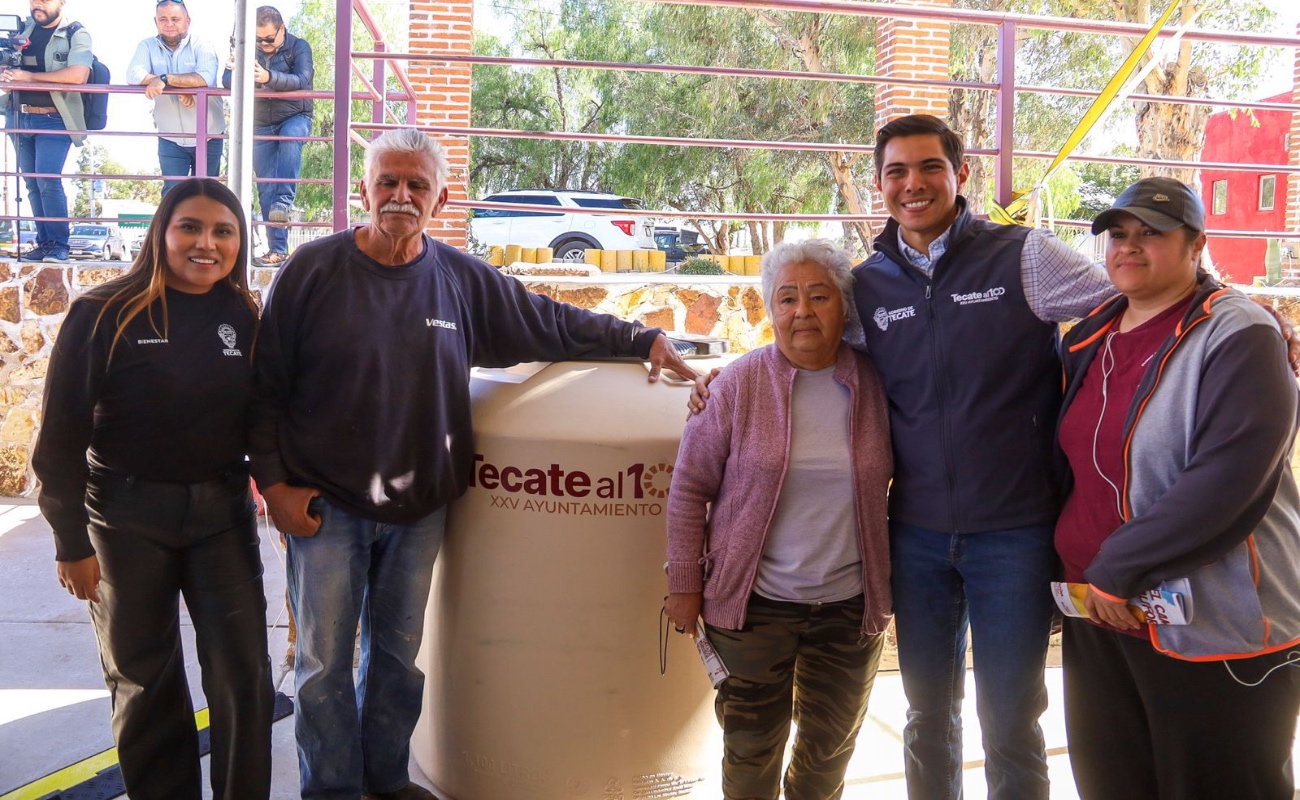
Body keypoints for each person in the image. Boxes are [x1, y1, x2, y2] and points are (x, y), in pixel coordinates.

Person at [249, 127, 694, 800]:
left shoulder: (460, 281)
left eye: (416, 185)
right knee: (322, 668)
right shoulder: (311, 271)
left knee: (398, 660)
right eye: (388, 182)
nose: (401, 196)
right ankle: (332, 791)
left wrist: (641, 339)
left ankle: (386, 780)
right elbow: (264, 390)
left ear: (442, 198)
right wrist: (274, 486)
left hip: (420, 510)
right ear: (363, 190)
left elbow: (551, 322)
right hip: (326, 508)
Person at [693, 114, 1115, 799]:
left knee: (1009, 719)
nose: (912, 184)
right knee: (928, 715)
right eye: (896, 172)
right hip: (914, 536)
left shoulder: (1025, 258)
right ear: (880, 184)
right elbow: (805, 343)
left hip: (1014, 530)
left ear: (961, 174)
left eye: (928, 168)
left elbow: (1131, 298)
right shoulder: (869, 286)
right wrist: (724, 376)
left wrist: (1216, 301)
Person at [1055, 177, 1300, 800]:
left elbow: (1228, 479)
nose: (1129, 247)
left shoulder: (1238, 334)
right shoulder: (1091, 336)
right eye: (1119, 234)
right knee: (1114, 783)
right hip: (1103, 615)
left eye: (1152, 234)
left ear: (1197, 246)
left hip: (1215, 624)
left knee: (1219, 784)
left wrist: (1120, 566)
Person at [31, 178, 275, 800]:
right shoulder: (105, 312)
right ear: (161, 233)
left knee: (243, 674)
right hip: (124, 519)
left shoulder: (244, 314)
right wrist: (70, 541)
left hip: (222, 513)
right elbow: (59, 440)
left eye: (223, 231)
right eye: (190, 227)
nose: (207, 243)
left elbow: (265, 416)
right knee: (144, 679)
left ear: (239, 243)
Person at [666, 239, 893, 800]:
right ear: (770, 309)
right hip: (753, 607)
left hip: (849, 606)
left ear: (844, 307)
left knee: (828, 753)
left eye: (819, 296)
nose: (802, 312)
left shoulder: (881, 385)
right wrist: (684, 587)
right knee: (750, 753)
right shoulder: (734, 386)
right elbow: (689, 491)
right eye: (786, 298)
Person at [0, 0, 92, 263]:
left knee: (48, 180)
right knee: (31, 183)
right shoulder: (22, 29)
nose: (37, 4)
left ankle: (60, 246)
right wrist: (7, 74)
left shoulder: (76, 32)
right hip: (18, 115)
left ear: (61, 2)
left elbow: (78, 75)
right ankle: (44, 243)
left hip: (54, 118)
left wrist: (28, 78)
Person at [222, 5, 313, 267]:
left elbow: (303, 79)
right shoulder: (247, 47)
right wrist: (234, 68)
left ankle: (284, 201)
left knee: (291, 140)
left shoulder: (299, 47)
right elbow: (227, 83)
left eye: (269, 39)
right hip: (260, 122)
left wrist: (268, 77)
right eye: (259, 39)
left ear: (282, 30)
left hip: (295, 116)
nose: (264, 44)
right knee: (264, 188)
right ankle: (278, 251)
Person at [127, 0, 226, 195]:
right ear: (155, 21)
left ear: (187, 21)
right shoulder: (147, 46)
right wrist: (178, 87)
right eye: (163, 19)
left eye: (175, 19)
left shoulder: (202, 45)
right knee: (172, 195)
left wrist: (165, 80)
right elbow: (133, 74)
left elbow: (204, 78)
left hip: (209, 134)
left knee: (207, 195)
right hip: (169, 136)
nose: (169, 24)